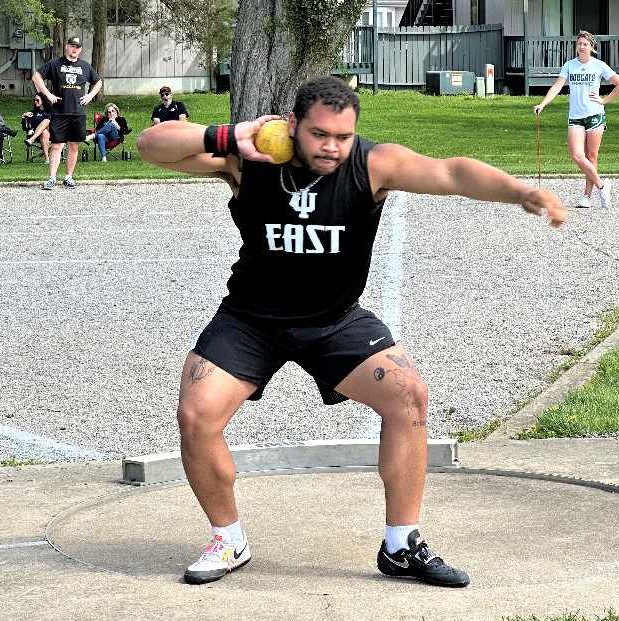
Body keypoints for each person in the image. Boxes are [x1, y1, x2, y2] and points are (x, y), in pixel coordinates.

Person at [136, 76, 566, 587]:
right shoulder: (251, 159)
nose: (332, 147)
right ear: (292, 125)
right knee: (196, 414)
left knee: (408, 395)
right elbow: (150, 146)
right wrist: (232, 136)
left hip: (334, 319)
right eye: (319, 134)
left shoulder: (371, 165)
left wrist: (521, 190)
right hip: (251, 318)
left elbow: (449, 171)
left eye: (342, 136)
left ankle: (401, 545)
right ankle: (228, 539)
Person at [533, 30, 619, 209]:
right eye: (579, 44)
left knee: (591, 156)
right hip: (575, 116)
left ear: (592, 47)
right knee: (577, 155)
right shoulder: (570, 65)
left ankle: (587, 197)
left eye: (585, 44)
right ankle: (602, 185)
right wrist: (542, 104)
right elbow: (557, 86)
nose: (582, 47)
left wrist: (604, 100)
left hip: (594, 115)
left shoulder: (599, 65)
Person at [32, 35, 102, 190]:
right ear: (67, 46)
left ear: (80, 50)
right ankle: (51, 178)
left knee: (74, 145)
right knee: (57, 145)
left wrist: (90, 95)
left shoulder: (85, 66)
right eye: (72, 46)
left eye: (77, 47)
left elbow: (98, 81)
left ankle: (68, 177)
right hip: (60, 112)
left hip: (78, 112)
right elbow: (36, 76)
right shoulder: (55, 64)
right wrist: (47, 95)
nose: (74, 49)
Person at [22, 93, 52, 164]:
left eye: (37, 100)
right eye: (34, 100)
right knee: (44, 132)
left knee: (46, 120)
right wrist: (23, 117)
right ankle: (47, 159)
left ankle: (31, 140)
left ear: (43, 100)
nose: (35, 101)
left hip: (53, 134)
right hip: (39, 135)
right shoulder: (34, 112)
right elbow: (25, 128)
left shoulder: (51, 111)